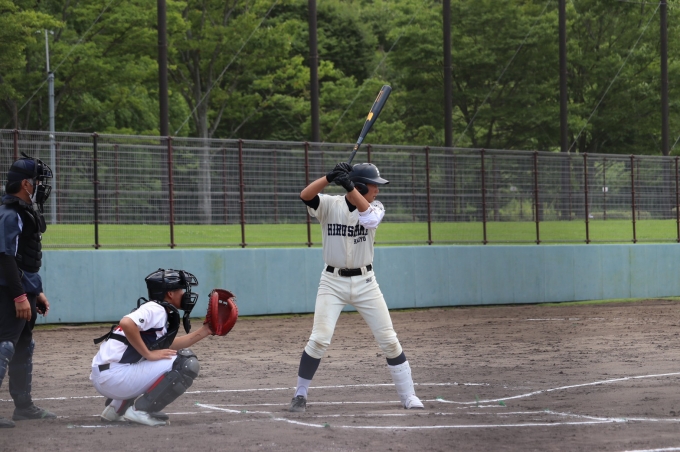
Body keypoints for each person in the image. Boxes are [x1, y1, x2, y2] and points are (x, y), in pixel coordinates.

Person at [288, 162, 424, 412]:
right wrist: (329, 177)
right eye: (373, 186)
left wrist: (350, 187)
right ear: (361, 186)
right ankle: (300, 394)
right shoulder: (330, 204)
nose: (377, 190)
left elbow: (369, 219)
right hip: (332, 282)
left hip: (366, 282)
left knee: (389, 340)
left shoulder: (375, 208)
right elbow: (305, 195)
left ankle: (409, 396)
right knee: (319, 339)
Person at [90, 268, 213, 426]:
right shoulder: (156, 310)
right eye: (181, 290)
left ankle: (116, 409)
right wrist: (148, 354)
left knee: (163, 355)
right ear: (170, 293)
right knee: (185, 363)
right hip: (115, 377)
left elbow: (169, 346)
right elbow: (126, 323)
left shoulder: (154, 309)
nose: (184, 294)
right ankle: (141, 411)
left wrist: (206, 331)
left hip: (108, 375)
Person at [0, 155, 56, 428]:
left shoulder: (24, 212)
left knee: (24, 345)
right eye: (37, 182)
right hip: (8, 292)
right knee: (5, 345)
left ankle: (23, 407)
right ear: (25, 183)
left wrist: (37, 291)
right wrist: (20, 296)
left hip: (25, 290)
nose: (40, 187)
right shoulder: (9, 214)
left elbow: (26, 260)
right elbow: (6, 259)